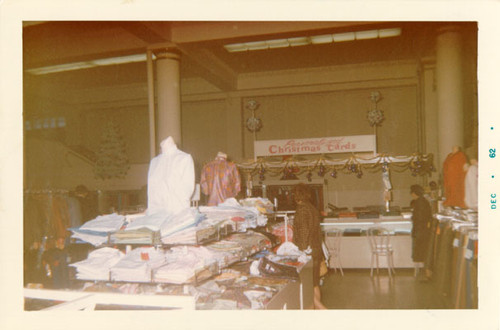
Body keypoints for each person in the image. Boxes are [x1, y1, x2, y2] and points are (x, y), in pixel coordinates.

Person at [292, 183, 327, 309]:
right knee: (314, 283)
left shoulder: (301, 209)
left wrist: (300, 253)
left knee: (307, 286)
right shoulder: (312, 208)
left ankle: (324, 311)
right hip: (316, 250)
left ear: (296, 195)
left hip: (308, 253)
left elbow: (303, 233)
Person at [410, 184, 432, 280]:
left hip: (420, 231)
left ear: (414, 193)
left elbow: (420, 218)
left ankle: (426, 274)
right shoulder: (423, 201)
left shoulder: (420, 202)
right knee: (424, 252)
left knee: (422, 252)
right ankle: (426, 273)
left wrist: (413, 217)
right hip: (423, 230)